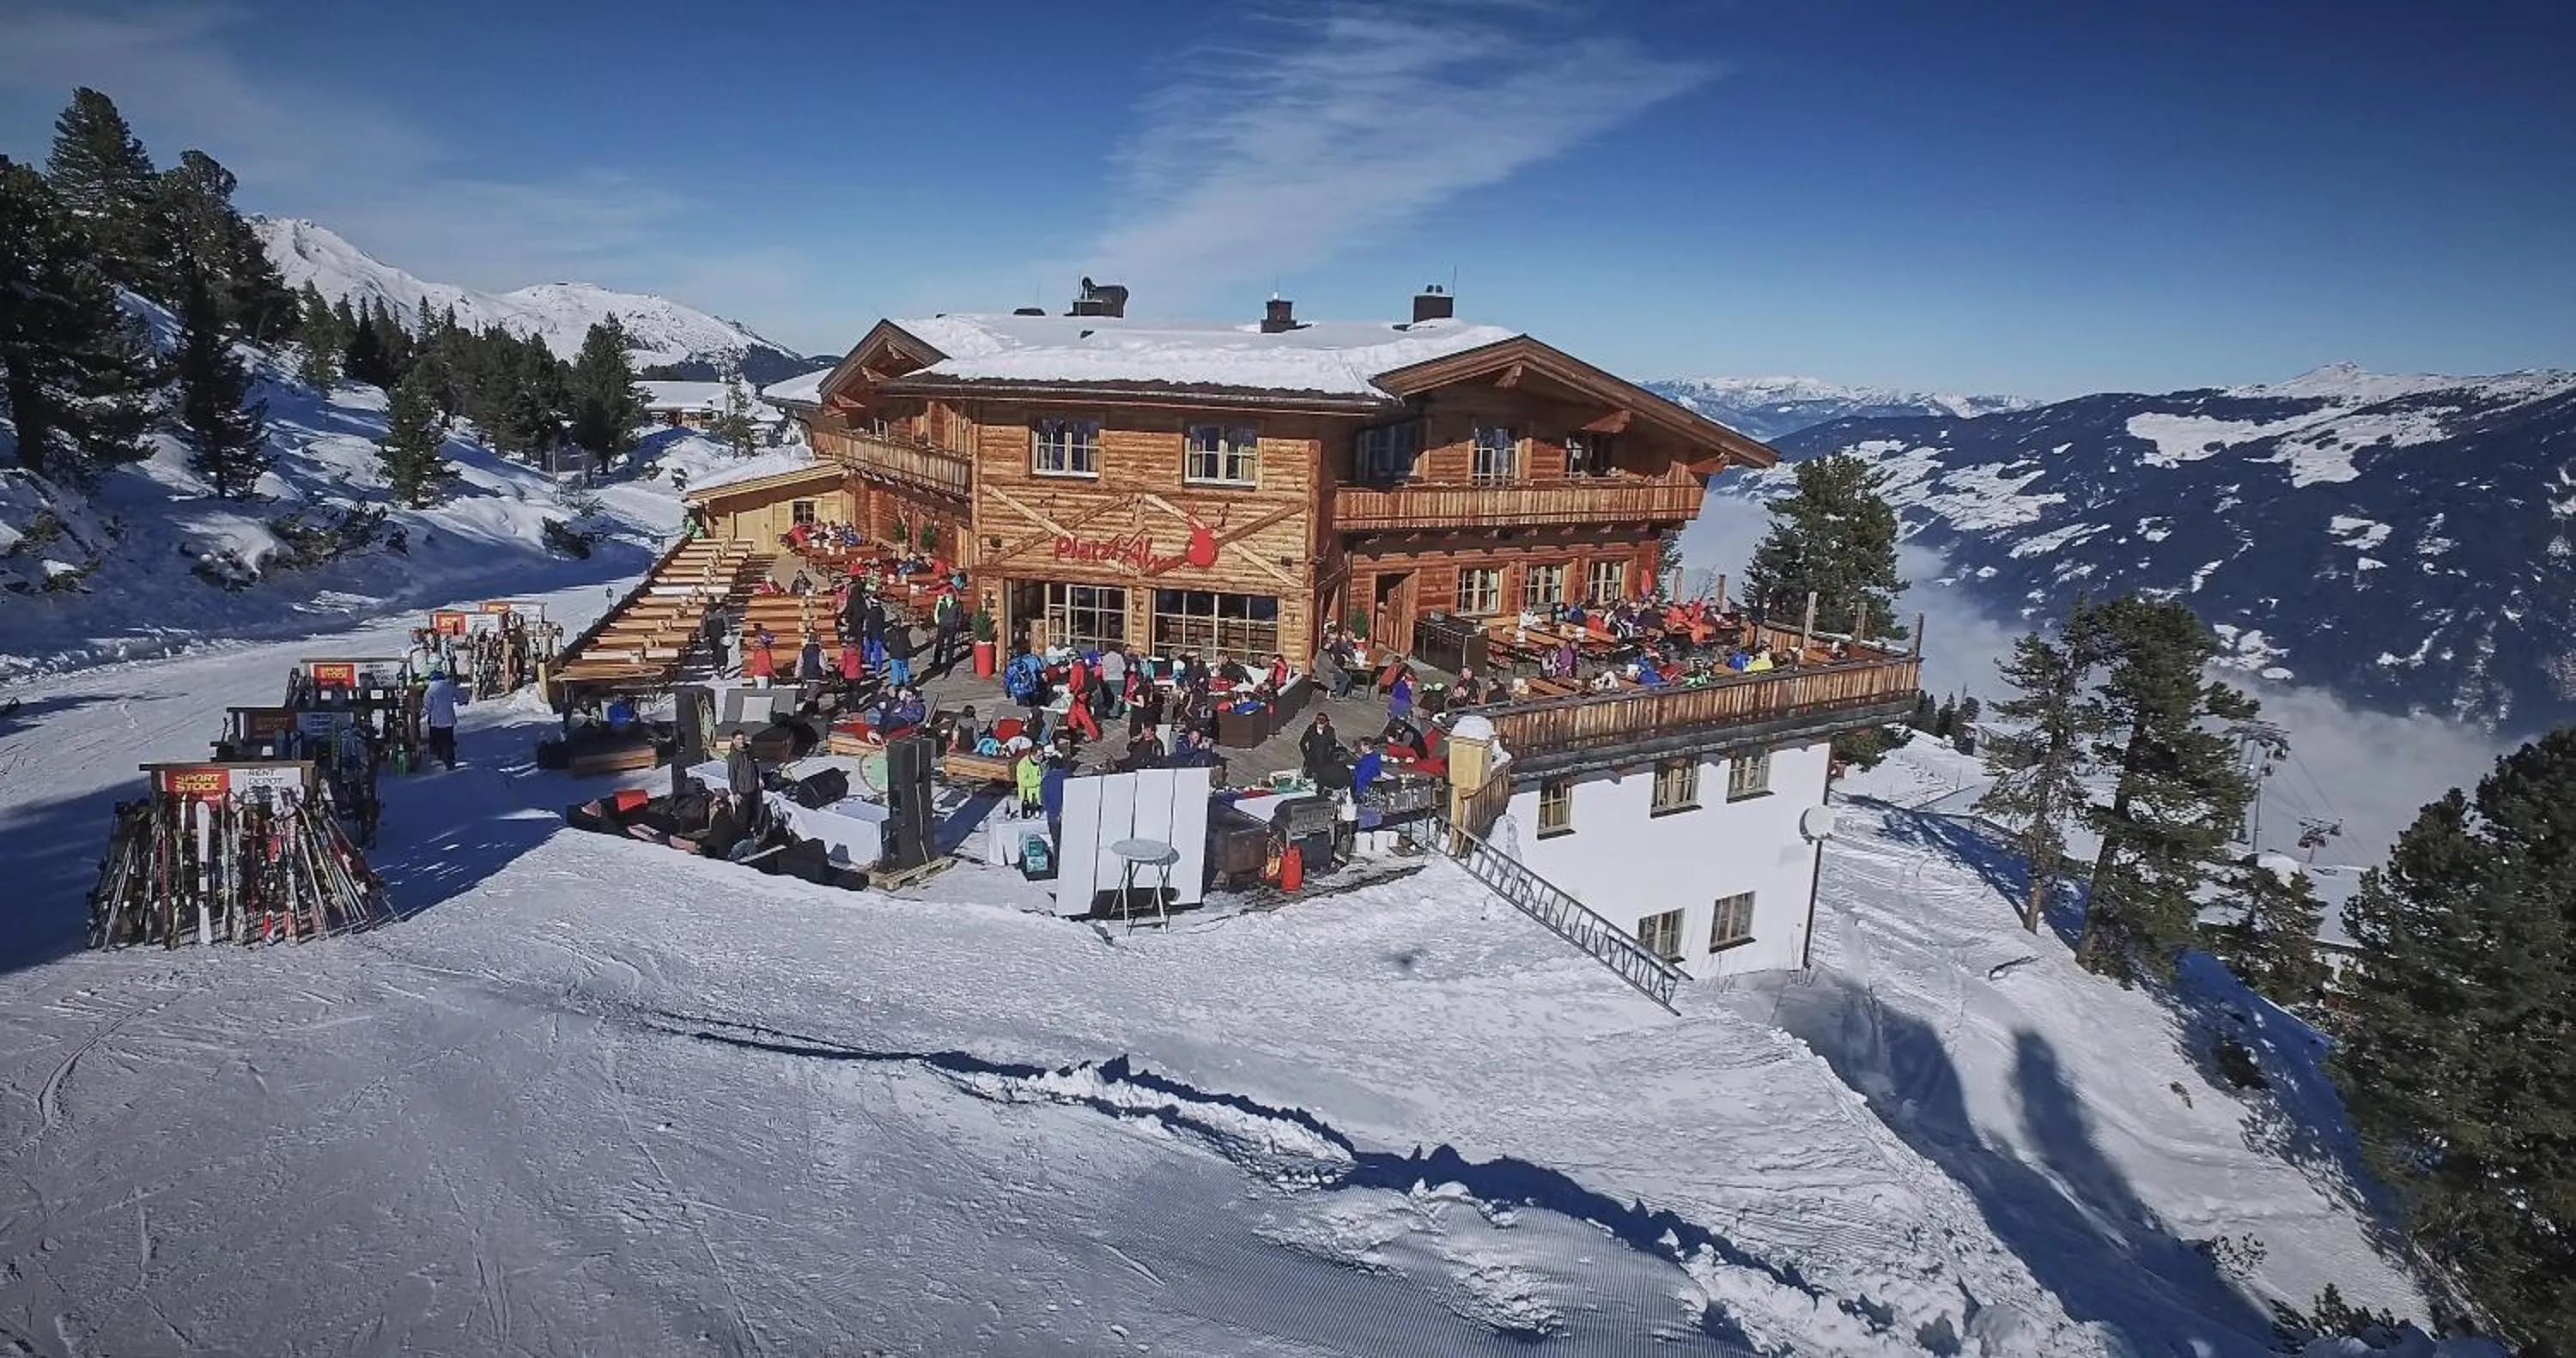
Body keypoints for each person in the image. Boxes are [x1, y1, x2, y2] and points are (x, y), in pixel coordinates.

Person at [422, 668, 464, 769]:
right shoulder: (450, 686)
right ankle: (449, 760)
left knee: (439, 739)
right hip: (449, 718)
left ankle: (441, 756)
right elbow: (460, 697)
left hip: (436, 720)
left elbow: (428, 705)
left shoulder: (431, 690)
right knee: (448, 739)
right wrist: (462, 701)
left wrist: (422, 713)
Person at [725, 731, 765, 834]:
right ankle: (741, 835)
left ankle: (753, 832)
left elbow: (756, 765)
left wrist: (759, 778)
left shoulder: (749, 751)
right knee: (743, 817)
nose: (741, 741)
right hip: (742, 791)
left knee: (754, 813)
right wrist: (735, 793)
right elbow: (732, 776)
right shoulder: (733, 757)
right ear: (733, 741)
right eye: (738, 739)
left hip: (753, 788)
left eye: (742, 738)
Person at [884, 619, 916, 690]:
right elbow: (908, 645)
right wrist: (914, 655)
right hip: (903, 655)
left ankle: (896, 683)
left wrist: (888, 650)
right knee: (904, 669)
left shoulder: (889, 633)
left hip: (893, 655)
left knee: (895, 669)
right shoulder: (904, 633)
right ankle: (906, 682)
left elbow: (884, 642)